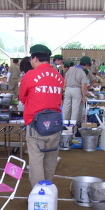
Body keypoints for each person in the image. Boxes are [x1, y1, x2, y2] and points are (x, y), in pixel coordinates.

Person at [19, 44, 64, 188]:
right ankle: (48, 191)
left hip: (35, 124)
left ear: (35, 58)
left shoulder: (29, 75)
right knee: (50, 160)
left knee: (36, 161)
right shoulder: (58, 76)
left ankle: (39, 194)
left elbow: (22, 98)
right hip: (55, 123)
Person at [62, 56, 89, 123]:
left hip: (68, 89)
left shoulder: (70, 69)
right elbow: (83, 85)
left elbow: (65, 80)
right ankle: (72, 125)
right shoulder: (82, 72)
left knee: (66, 108)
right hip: (76, 90)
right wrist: (83, 97)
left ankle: (64, 123)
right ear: (86, 65)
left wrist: (64, 88)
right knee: (75, 109)